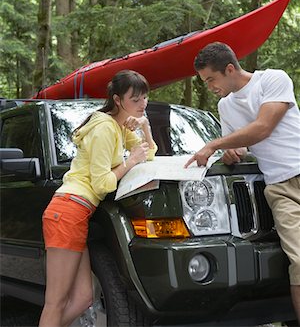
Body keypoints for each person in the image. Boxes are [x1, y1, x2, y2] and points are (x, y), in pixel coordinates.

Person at [184, 42, 300, 323]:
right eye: (204, 81)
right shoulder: (225, 106)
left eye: (211, 79)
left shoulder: (272, 79)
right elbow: (242, 145)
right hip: (279, 188)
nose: (209, 86)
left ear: (230, 69)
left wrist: (214, 144)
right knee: (299, 263)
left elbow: (263, 127)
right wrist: (232, 153)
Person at [39, 70, 157, 327]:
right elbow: (102, 183)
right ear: (117, 99)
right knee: (56, 302)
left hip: (78, 214)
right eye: (135, 99)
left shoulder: (118, 125)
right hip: (67, 211)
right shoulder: (104, 128)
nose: (142, 104)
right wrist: (129, 160)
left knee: (83, 298)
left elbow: (148, 154)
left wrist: (146, 127)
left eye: (145, 98)